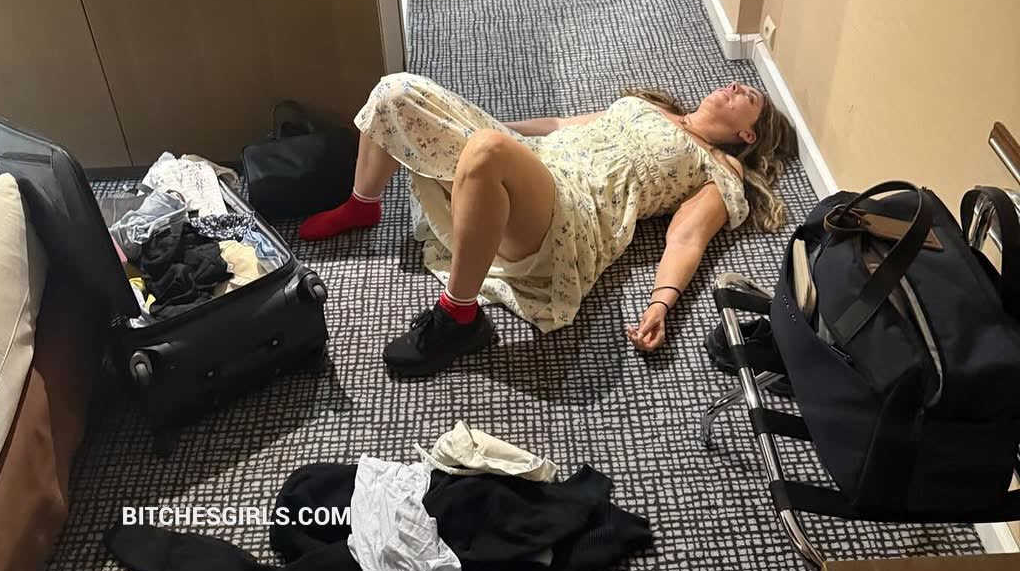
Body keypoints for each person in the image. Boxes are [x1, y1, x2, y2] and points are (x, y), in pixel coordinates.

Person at [299, 73, 798, 376]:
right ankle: (363, 203)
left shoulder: (719, 168)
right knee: (396, 91)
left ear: (747, 134)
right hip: (536, 160)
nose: (734, 85)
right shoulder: (650, 107)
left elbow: (687, 237)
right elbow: (561, 126)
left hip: (573, 213)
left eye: (748, 96)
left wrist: (661, 304)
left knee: (487, 150)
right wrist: (490, 128)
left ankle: (458, 317)